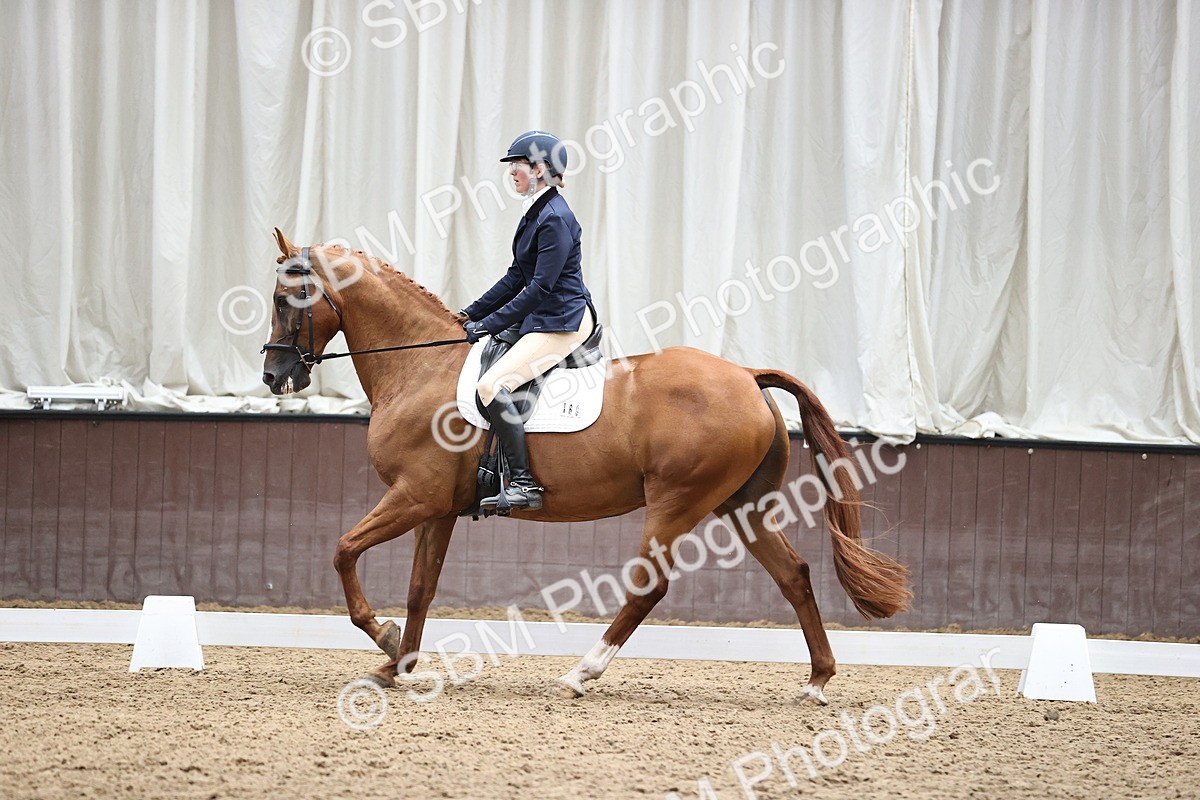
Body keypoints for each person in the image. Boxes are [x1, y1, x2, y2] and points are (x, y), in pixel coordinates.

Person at [459, 130, 597, 510]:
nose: (511, 173)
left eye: (516, 165)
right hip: (544, 312)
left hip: (561, 320)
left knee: (490, 386)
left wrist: (488, 325)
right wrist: (470, 313)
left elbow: (539, 288)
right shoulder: (537, 209)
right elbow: (515, 276)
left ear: (539, 169)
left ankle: (524, 484)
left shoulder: (553, 217)